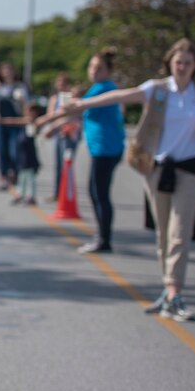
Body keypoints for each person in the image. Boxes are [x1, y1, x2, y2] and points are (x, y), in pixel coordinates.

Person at [60, 39, 195, 321]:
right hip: (157, 169)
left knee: (179, 234)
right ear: (170, 62)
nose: (182, 67)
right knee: (162, 233)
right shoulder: (157, 90)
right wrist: (82, 103)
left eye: (188, 63)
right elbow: (119, 97)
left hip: (190, 170)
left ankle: (174, 293)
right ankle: (167, 291)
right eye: (178, 62)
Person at [70, 50, 125, 254]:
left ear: (109, 71)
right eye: (91, 66)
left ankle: (103, 239)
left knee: (99, 193)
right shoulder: (99, 88)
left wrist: (46, 122)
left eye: (99, 67)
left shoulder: (104, 88)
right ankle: (102, 237)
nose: (93, 71)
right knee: (96, 192)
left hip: (106, 148)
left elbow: (74, 109)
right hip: (103, 148)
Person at [43, 72, 81, 202]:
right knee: (58, 165)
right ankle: (58, 193)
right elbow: (51, 116)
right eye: (59, 82)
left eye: (64, 82)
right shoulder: (55, 99)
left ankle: (67, 194)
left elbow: (71, 117)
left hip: (69, 135)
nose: (61, 85)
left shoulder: (72, 98)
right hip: (58, 135)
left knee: (67, 165)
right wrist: (52, 127)